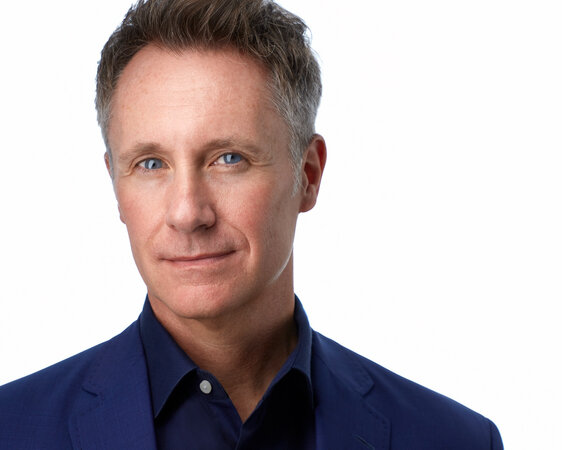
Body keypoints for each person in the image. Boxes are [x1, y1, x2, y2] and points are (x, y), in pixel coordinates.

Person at [0, 0, 503, 448]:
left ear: (308, 175)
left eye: (229, 159)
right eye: (151, 164)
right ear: (115, 183)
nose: (187, 213)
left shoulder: (453, 440)